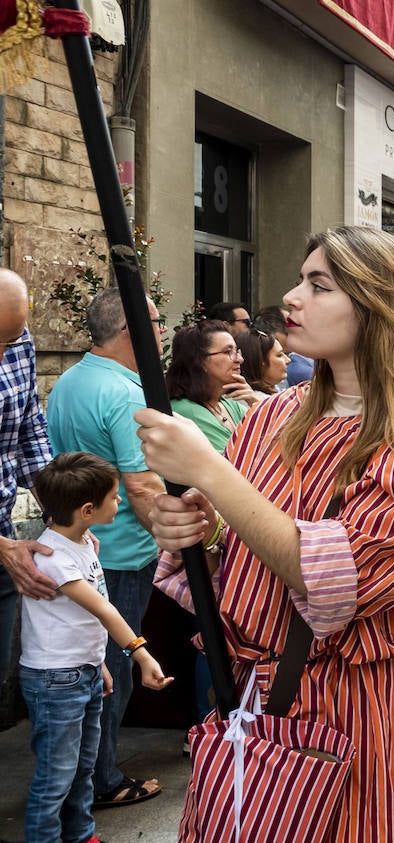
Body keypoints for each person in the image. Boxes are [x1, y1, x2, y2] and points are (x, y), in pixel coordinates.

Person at [135, 225, 394, 842]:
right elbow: (243, 543)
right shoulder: (273, 414)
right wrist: (202, 525)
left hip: (363, 720)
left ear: (382, 306)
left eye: (318, 285)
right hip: (253, 704)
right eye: (301, 280)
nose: (291, 298)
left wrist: (209, 471)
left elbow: (333, 577)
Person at [46, 287, 167, 809]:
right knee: (113, 671)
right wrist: (175, 540)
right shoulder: (123, 392)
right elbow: (140, 485)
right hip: (117, 554)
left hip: (78, 545)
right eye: (156, 321)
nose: (161, 331)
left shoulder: (69, 381)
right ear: (129, 332)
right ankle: (102, 780)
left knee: (91, 670)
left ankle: (85, 776)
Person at [22, 452, 172, 843]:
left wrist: (98, 664)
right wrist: (140, 653)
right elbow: (104, 608)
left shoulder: (85, 540)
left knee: (83, 767)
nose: (120, 502)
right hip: (56, 681)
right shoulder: (54, 559)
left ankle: (81, 834)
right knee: (56, 777)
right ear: (88, 509)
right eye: (115, 497)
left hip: (82, 672)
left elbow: (80, 621)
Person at [0, 269, 55, 703]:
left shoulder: (19, 339)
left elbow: (30, 428)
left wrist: (59, 508)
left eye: (11, 339)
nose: (6, 351)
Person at [167, 321, 253, 452]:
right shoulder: (187, 410)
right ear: (200, 360)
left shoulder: (228, 403)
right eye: (228, 352)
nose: (239, 359)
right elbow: (235, 464)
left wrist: (255, 402)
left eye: (236, 351)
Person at [235, 326, 291, 401]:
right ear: (260, 361)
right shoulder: (247, 400)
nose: (288, 360)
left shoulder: (276, 390)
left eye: (285, 354)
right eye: (279, 355)